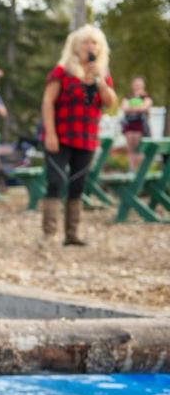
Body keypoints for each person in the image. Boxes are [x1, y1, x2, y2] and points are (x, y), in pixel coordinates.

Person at [39, 25, 117, 246]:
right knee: (55, 181)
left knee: (78, 184)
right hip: (61, 135)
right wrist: (50, 133)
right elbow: (47, 102)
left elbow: (110, 103)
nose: (89, 47)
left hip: (86, 138)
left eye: (94, 43)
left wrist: (99, 80)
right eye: (85, 42)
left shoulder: (101, 74)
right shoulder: (62, 71)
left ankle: (72, 234)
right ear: (75, 46)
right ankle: (49, 233)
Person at [120, 76, 153, 172]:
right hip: (129, 125)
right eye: (135, 84)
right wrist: (138, 108)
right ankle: (132, 169)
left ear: (143, 85)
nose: (137, 86)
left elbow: (144, 107)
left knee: (138, 147)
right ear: (132, 85)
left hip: (141, 125)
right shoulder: (128, 96)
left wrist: (131, 108)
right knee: (130, 148)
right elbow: (124, 108)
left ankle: (139, 170)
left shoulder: (146, 97)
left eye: (139, 84)